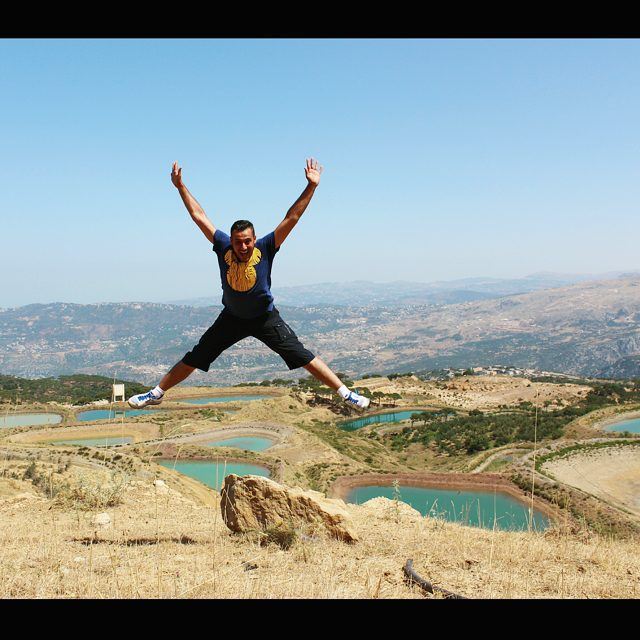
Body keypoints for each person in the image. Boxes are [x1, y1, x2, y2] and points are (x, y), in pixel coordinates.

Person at [128, 158, 370, 410]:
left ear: (254, 239)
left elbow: (293, 216)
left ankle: (346, 394)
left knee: (303, 356)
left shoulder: (267, 247)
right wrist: (180, 187)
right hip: (231, 318)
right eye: (237, 242)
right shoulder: (222, 246)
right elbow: (198, 216)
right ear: (230, 241)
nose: (242, 247)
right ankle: (155, 393)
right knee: (196, 356)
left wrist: (312, 187)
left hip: (265, 318)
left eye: (247, 241)